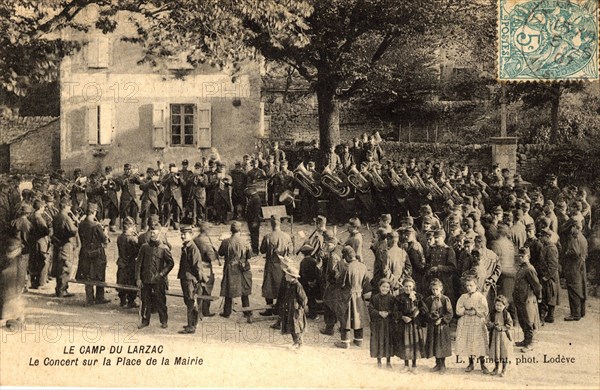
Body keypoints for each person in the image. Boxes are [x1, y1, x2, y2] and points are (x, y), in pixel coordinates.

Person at [136, 221, 174, 329]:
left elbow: (171, 263)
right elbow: (138, 264)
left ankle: (164, 320)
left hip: (158, 280)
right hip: (146, 279)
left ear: (159, 233)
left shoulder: (164, 249)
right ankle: (145, 321)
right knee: (145, 301)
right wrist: (138, 278)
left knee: (160, 301)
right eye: (151, 232)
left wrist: (162, 274)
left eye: (154, 232)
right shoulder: (144, 247)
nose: (152, 234)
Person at [335, 246, 371, 349]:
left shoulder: (347, 267)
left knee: (345, 318)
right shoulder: (363, 266)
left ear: (346, 256)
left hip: (348, 295)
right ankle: (358, 340)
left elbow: (340, 283)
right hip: (359, 295)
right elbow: (366, 283)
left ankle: (345, 342)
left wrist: (337, 275)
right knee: (358, 318)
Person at [218, 221, 253, 323]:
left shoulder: (226, 242)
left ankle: (227, 312)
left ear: (231, 230)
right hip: (242, 268)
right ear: (240, 230)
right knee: (244, 290)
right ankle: (246, 311)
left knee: (228, 289)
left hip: (230, 267)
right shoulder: (245, 242)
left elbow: (220, 253)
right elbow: (249, 256)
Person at [76, 203, 110, 306]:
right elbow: (104, 240)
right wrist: (105, 231)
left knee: (87, 275)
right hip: (97, 254)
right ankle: (100, 297)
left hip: (84, 252)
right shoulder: (96, 226)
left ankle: (89, 298)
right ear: (94, 212)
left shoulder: (81, 223)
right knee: (100, 274)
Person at [455, 275, 490, 374]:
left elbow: (485, 310)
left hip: (477, 322)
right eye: (467, 285)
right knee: (469, 341)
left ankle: (483, 364)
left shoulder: (480, 297)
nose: (469, 287)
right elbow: (458, 308)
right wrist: (465, 311)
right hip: (466, 321)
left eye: (471, 285)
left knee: (479, 342)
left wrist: (476, 312)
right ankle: (471, 363)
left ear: (476, 286)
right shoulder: (463, 297)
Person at [259, 215, 293, 316]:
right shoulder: (287, 236)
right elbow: (291, 251)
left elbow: (262, 250)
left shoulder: (268, 236)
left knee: (268, 286)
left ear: (271, 224)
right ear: (280, 224)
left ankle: (269, 309)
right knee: (281, 286)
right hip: (283, 265)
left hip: (271, 264)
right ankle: (280, 309)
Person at [394, 277, 427, 373]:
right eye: (406, 286)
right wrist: (402, 316)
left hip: (415, 324)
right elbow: (395, 311)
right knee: (405, 343)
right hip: (404, 324)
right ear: (403, 287)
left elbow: (424, 310)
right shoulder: (399, 298)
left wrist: (415, 302)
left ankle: (414, 365)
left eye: (410, 286)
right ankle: (406, 364)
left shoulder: (418, 297)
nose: (408, 289)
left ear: (414, 287)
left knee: (414, 344)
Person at [178, 225, 206, 334]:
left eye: (185, 234)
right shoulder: (187, 246)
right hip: (186, 279)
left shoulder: (193, 249)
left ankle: (191, 326)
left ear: (191, 235)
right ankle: (192, 324)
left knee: (190, 302)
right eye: (182, 234)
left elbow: (197, 267)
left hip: (190, 280)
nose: (182, 236)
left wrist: (200, 281)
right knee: (189, 301)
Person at [513, 247, 542, 352]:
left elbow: (536, 285)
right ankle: (526, 340)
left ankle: (530, 343)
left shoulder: (529, 269)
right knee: (522, 320)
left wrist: (539, 297)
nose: (520, 258)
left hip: (527, 299)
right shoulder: (522, 268)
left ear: (527, 256)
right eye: (519, 256)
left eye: (522, 256)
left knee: (529, 321)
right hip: (520, 299)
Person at [276, 261, 308, 350]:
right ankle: (295, 342)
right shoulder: (289, 284)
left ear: (291, 276)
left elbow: (304, 298)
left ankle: (300, 343)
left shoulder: (298, 286)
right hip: (289, 309)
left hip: (295, 311)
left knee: (297, 327)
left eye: (287, 275)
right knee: (291, 326)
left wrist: (300, 307)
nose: (285, 276)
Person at [423, 278, 453, 374]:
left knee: (441, 344)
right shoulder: (428, 300)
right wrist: (430, 317)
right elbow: (426, 312)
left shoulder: (445, 299)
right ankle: (437, 364)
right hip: (432, 326)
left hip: (442, 327)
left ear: (441, 288)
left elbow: (450, 313)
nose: (435, 291)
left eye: (437, 289)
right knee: (434, 344)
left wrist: (441, 319)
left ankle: (443, 365)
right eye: (433, 289)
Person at [51, 198, 78, 298]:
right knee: (65, 267)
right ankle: (62, 290)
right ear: (65, 206)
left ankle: (60, 289)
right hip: (66, 244)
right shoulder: (66, 217)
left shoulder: (56, 216)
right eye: (69, 206)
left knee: (59, 267)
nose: (70, 207)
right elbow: (73, 231)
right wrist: (76, 224)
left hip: (58, 244)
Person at [563, 220, 588, 321]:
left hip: (574, 266)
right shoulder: (583, 238)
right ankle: (581, 312)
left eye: (571, 228)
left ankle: (575, 314)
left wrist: (567, 253)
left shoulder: (575, 238)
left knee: (573, 289)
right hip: (581, 266)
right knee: (580, 287)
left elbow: (574, 252)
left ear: (574, 227)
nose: (570, 230)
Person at [192, 221, 218, 318]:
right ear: (206, 230)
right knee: (207, 288)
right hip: (205, 267)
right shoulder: (206, 241)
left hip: (195, 267)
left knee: (197, 289)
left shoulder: (195, 239)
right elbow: (212, 258)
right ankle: (205, 311)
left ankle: (197, 310)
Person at [368, 278, 395, 368]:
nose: (385, 289)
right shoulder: (375, 298)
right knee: (378, 340)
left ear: (390, 288)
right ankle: (379, 360)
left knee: (388, 341)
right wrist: (379, 313)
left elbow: (395, 310)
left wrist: (388, 313)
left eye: (387, 287)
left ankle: (388, 361)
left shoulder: (392, 298)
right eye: (383, 287)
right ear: (379, 287)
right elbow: (371, 309)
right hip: (378, 323)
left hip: (388, 323)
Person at [487, 295, 513, 377]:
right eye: (497, 305)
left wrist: (502, 328)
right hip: (494, 336)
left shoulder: (506, 314)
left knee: (503, 352)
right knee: (496, 352)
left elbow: (510, 324)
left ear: (504, 306)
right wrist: (492, 324)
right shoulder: (492, 313)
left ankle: (504, 369)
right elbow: (487, 322)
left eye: (500, 305)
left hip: (503, 336)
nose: (498, 307)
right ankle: (496, 368)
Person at [116, 217, 139, 308]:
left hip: (121, 262)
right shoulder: (132, 239)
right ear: (131, 227)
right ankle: (130, 301)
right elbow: (137, 251)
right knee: (131, 282)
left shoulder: (120, 237)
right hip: (130, 264)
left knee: (121, 281)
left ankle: (122, 301)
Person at [538, 228, 560, 323]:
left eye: (542, 236)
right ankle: (547, 316)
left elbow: (553, 265)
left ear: (547, 237)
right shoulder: (546, 246)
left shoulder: (551, 248)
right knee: (547, 295)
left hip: (550, 276)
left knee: (551, 295)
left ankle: (550, 316)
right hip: (547, 275)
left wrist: (546, 277)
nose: (541, 238)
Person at [28, 199, 51, 289]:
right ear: (40, 207)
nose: (44, 208)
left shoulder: (31, 216)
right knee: (43, 261)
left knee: (34, 261)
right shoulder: (39, 218)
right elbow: (45, 230)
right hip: (41, 241)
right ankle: (41, 283)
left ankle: (33, 282)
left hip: (33, 241)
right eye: (43, 207)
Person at [298, 244, 320, 320]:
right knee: (312, 298)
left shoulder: (303, 262)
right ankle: (313, 313)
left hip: (306, 283)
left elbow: (302, 273)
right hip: (313, 283)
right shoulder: (314, 261)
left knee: (307, 298)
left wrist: (306, 282)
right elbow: (317, 272)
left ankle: (311, 314)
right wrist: (314, 281)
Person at [245, 187, 262, 255]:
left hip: (254, 220)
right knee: (252, 235)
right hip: (251, 219)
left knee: (254, 236)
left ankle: (255, 251)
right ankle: (254, 249)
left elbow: (256, 211)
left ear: (251, 190)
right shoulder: (252, 197)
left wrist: (255, 221)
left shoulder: (256, 198)